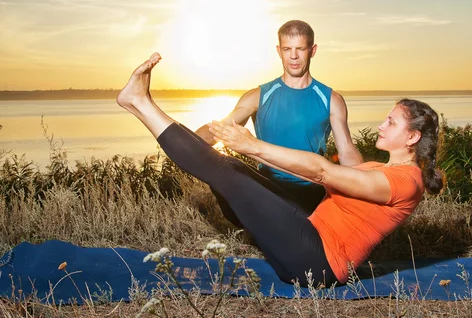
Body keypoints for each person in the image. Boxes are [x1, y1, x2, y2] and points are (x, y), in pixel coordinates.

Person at [117, 53, 445, 286]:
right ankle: (136, 103)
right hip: (310, 237)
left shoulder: (405, 182)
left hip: (317, 266)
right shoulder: (381, 169)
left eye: (391, 121)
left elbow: (321, 173)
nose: (381, 124)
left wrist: (254, 145)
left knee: (226, 172)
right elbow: (313, 174)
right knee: (232, 167)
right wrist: (247, 151)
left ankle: (142, 104)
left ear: (412, 137)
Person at [195, 20, 363, 218]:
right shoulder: (258, 96)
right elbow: (217, 131)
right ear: (279, 51)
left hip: (311, 191)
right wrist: (179, 139)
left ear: (313, 50)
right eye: (287, 49)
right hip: (268, 188)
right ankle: (256, 224)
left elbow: (347, 153)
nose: (293, 56)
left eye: (300, 49)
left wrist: (368, 186)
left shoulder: (331, 99)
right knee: (227, 167)